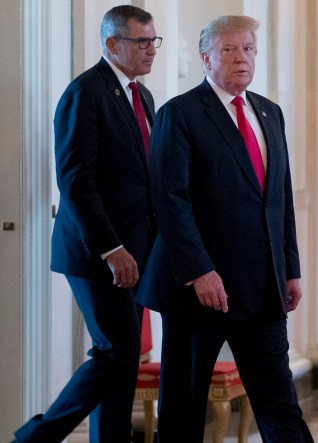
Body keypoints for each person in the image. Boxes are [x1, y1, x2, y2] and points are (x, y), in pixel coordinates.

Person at [137, 15, 313, 442]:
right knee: (182, 411)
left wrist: (289, 267)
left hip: (263, 287)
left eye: (249, 49)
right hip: (198, 291)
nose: (242, 59)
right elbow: (170, 200)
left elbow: (279, 198)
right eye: (230, 50)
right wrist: (200, 271)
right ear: (206, 59)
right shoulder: (180, 113)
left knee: (281, 406)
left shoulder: (269, 113)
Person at [13, 5, 161, 443]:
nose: (151, 50)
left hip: (137, 251)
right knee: (115, 351)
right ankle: (35, 437)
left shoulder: (142, 95)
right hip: (99, 252)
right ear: (112, 44)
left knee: (122, 355)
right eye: (142, 42)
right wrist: (111, 248)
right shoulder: (86, 93)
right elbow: (76, 182)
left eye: (155, 41)